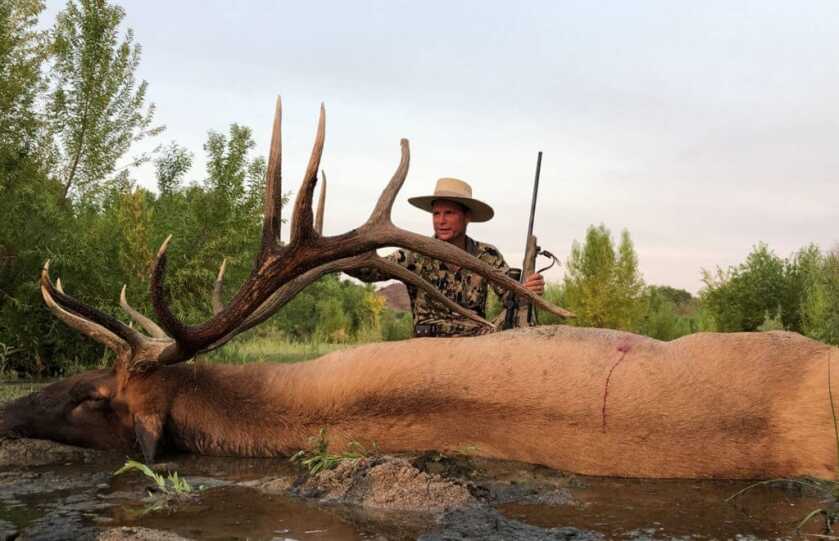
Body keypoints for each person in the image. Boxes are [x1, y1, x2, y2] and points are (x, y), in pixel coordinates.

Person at [349, 177, 545, 337]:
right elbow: (370, 271)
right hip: (428, 344)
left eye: (449, 213)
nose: (440, 221)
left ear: (467, 217)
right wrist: (345, 255)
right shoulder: (415, 253)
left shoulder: (487, 255)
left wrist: (528, 289)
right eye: (436, 214)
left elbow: (510, 298)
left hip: (476, 343)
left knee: (521, 317)